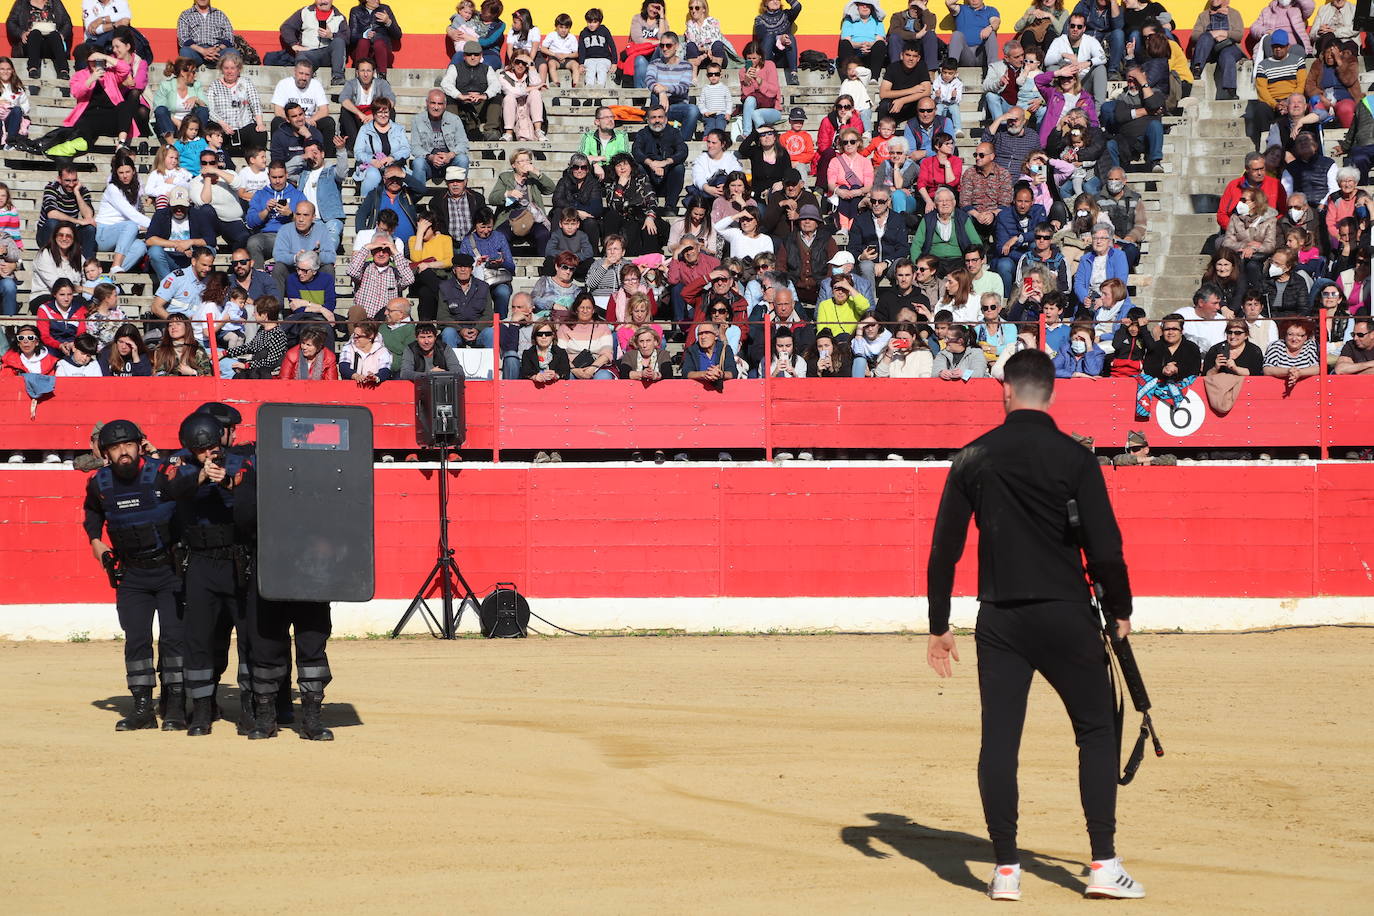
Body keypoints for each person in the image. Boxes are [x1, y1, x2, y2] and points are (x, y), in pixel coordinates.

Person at [926, 347, 1144, 903]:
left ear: (1005, 390)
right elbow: (1107, 548)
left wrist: (938, 623)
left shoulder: (973, 456)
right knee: (1096, 730)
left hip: (1000, 618)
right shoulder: (1074, 458)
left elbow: (944, 550)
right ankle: (1103, 864)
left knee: (999, 740)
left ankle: (1004, 869)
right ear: (1052, 392)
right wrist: (1120, 609)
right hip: (1067, 612)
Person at [82, 420, 187, 731]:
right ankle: (142, 707)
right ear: (106, 453)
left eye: (127, 444)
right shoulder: (99, 483)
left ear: (140, 445)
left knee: (173, 640)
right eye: (115, 447)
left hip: (170, 571)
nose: (123, 452)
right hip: (132, 575)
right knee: (137, 641)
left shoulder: (162, 473)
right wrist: (97, 543)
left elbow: (189, 504)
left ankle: (175, 706)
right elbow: (92, 514)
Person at [441, 40, 502, 140]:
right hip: (462, 105)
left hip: (481, 104)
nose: (473, 57)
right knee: (448, 97)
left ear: (481, 55)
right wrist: (460, 96)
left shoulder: (488, 69)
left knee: (497, 97)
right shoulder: (455, 68)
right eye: (469, 54)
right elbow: (445, 83)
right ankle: (453, 130)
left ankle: (490, 130)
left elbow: (496, 85)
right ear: (464, 56)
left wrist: (484, 96)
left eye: (476, 54)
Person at [632, 106, 689, 212]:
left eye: (660, 117)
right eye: (653, 117)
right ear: (647, 120)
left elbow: (683, 151)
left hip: (668, 181)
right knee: (638, 167)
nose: (657, 120)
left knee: (679, 168)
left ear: (666, 119)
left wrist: (665, 163)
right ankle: (647, 205)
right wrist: (651, 163)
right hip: (649, 180)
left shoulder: (674, 133)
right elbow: (636, 151)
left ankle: (670, 207)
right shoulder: (642, 134)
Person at [410, 90, 468, 188]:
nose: (436, 107)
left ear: (445, 105)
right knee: (418, 162)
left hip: (450, 163)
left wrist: (450, 155)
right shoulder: (417, 120)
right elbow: (415, 146)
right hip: (428, 163)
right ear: (427, 103)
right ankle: (415, 195)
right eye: (433, 103)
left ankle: (459, 193)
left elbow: (463, 143)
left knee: (462, 159)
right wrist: (431, 157)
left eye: (440, 104)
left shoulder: (455, 119)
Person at [1189, 0, 1244, 100]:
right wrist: (1210, 34)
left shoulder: (1234, 13)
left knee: (1227, 55)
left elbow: (1239, 35)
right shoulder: (1204, 15)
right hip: (1210, 49)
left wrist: (1222, 33)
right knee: (1205, 37)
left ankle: (1231, 89)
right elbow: (1194, 35)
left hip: (1229, 45)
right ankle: (1197, 69)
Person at [6, 0, 72, 80]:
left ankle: (63, 70)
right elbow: (11, 22)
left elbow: (67, 22)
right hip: (31, 43)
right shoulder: (22, 2)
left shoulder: (55, 2)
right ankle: (33, 69)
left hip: (51, 44)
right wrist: (21, 33)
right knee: (35, 33)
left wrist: (62, 35)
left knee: (55, 35)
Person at [752, 0, 801, 86]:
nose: (775, 1)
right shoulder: (759, 19)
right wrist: (779, 39)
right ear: (766, 3)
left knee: (790, 37)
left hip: (783, 58)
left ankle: (793, 75)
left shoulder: (786, 15)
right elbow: (761, 36)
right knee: (768, 37)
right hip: (769, 57)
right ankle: (764, 74)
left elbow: (797, 7)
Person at [348, 0, 401, 75]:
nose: (377, 0)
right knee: (363, 42)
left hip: (382, 53)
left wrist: (388, 22)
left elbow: (397, 35)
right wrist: (365, 35)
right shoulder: (356, 11)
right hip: (362, 53)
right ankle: (360, 74)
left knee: (379, 43)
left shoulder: (385, 9)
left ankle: (382, 76)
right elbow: (352, 36)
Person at [943, 0, 1000, 68]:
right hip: (966, 55)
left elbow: (996, 22)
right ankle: (951, 69)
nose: (974, 0)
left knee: (991, 32)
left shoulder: (990, 10)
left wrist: (990, 27)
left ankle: (994, 70)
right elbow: (948, 3)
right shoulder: (961, 9)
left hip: (982, 53)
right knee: (956, 34)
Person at [176, 0, 233, 65]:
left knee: (233, 52)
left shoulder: (220, 14)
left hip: (217, 52)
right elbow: (183, 38)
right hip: (196, 52)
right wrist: (202, 51)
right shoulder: (186, 15)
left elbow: (229, 37)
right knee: (184, 51)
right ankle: (187, 74)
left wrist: (217, 49)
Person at [577, 7, 615, 88]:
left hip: (604, 59)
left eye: (594, 22)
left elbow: (612, 46)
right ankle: (589, 85)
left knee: (601, 68)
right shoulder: (583, 33)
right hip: (589, 59)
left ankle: (600, 86)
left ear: (599, 22)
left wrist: (614, 63)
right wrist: (581, 64)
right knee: (590, 68)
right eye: (589, 22)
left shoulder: (604, 30)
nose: (591, 24)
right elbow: (581, 49)